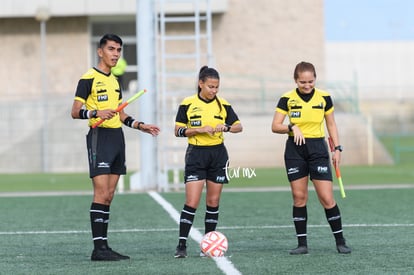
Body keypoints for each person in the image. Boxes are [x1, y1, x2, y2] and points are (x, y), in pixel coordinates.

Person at [71, 34, 160, 261]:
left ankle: (104, 247)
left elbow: (121, 115)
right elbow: (74, 112)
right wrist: (94, 113)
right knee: (100, 192)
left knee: (109, 194)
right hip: (99, 137)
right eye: (111, 49)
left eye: (119, 50)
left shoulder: (114, 80)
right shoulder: (88, 78)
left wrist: (140, 125)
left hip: (116, 138)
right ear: (100, 51)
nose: (116, 54)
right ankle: (98, 249)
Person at [271, 61, 351, 255]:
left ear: (315, 79)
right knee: (299, 197)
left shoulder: (324, 97)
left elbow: (331, 125)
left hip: (318, 149)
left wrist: (337, 149)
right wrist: (291, 126)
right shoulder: (286, 99)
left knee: (326, 197)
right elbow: (275, 126)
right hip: (295, 150)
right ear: (295, 80)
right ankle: (302, 244)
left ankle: (340, 241)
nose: (307, 85)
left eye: (310, 81)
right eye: (302, 82)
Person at [173, 66, 243, 258]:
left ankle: (208, 244)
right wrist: (198, 130)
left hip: (218, 155)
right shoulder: (188, 103)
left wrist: (227, 127)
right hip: (196, 154)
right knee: (192, 201)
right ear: (200, 84)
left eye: (217, 87)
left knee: (213, 201)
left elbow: (239, 126)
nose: (214, 90)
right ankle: (181, 245)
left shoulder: (223, 104)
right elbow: (178, 131)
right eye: (211, 86)